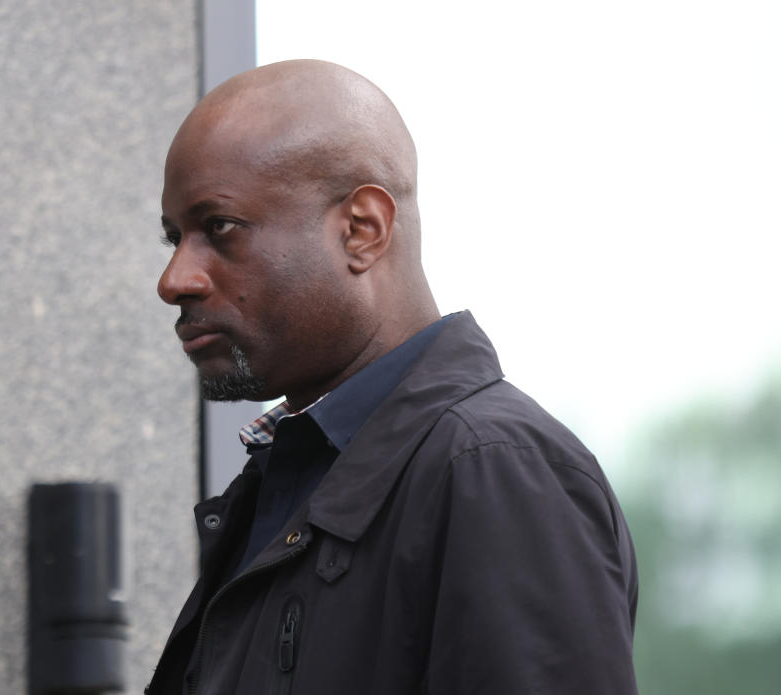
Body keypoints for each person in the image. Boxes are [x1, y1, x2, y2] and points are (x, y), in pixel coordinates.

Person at [148, 59, 639, 694]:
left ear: (362, 230)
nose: (175, 280)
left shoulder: (494, 468)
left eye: (220, 229)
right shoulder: (291, 478)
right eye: (174, 239)